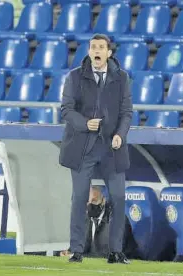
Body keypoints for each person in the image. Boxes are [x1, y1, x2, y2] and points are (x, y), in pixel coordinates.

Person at [59, 33, 133, 263]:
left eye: (101, 47)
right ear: (89, 52)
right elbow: (66, 109)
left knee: (119, 197)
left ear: (109, 53)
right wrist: (84, 123)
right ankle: (77, 250)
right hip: (83, 147)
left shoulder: (121, 78)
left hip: (111, 147)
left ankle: (115, 251)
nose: (97, 51)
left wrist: (120, 134)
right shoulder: (74, 77)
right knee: (80, 197)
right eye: (93, 47)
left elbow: (126, 112)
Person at [60, 186, 139, 259]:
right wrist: (69, 252)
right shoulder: (85, 219)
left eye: (93, 201)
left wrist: (78, 256)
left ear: (103, 201)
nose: (89, 204)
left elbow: (106, 255)